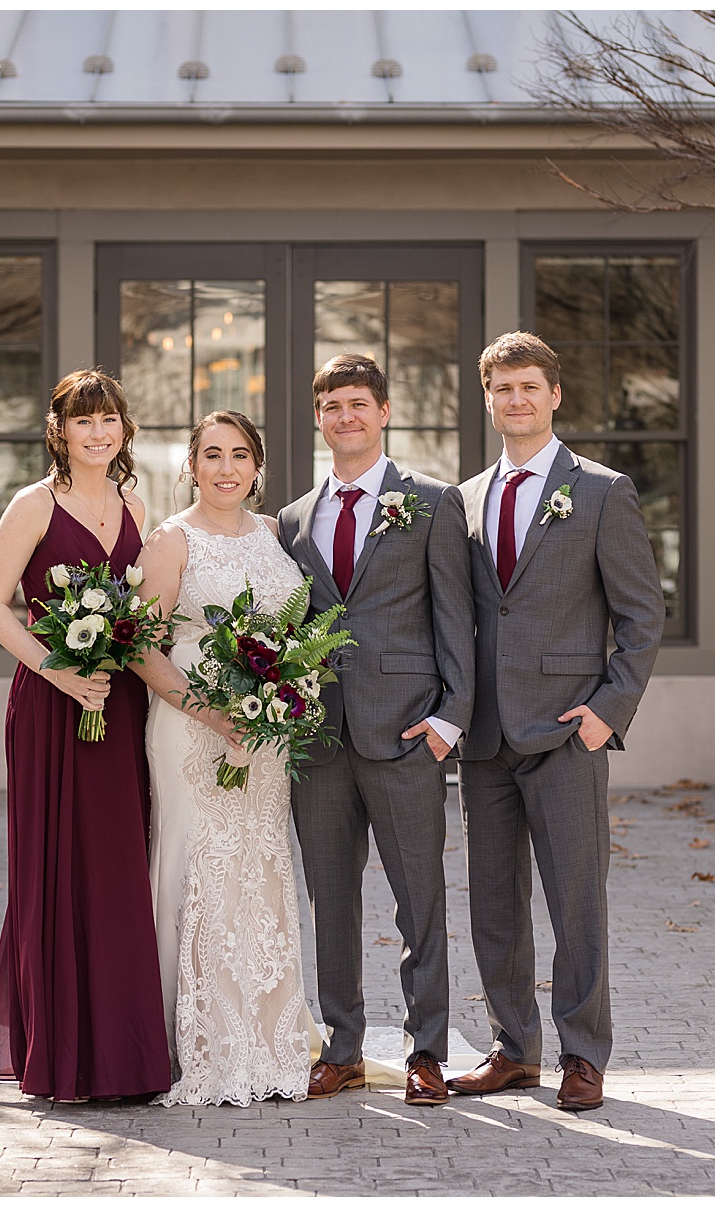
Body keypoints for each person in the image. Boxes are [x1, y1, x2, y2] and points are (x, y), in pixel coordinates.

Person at [447, 332, 663, 1113]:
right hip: (485, 736)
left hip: (569, 734)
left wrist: (608, 712)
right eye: (502, 388)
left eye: (529, 387)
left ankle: (582, 1054)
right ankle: (513, 1047)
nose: (517, 400)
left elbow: (642, 615)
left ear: (555, 394)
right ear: (488, 398)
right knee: (494, 903)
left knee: (577, 903)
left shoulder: (602, 491)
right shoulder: (463, 499)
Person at [275, 354, 474, 1107]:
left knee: (419, 898)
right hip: (319, 741)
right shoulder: (294, 519)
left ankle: (426, 1051)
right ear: (319, 418)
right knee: (331, 898)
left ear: (383, 411)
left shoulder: (429, 502)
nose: (345, 416)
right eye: (332, 405)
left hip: (405, 736)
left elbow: (456, 615)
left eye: (358, 403)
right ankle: (344, 1046)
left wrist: (450, 718)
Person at [0, 369, 171, 1102]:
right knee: (55, 868)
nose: (97, 432)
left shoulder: (138, 505)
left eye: (108, 418)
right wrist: (59, 671)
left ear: (123, 427)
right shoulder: (33, 504)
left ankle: (124, 1055)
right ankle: (61, 1055)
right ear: (59, 430)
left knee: (117, 870)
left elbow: (147, 614)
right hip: (53, 705)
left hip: (116, 707)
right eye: (82, 420)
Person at [132, 410, 315, 1106]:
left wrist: (281, 693)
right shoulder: (169, 541)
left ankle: (267, 1036)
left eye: (240, 454)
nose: (227, 467)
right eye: (212, 454)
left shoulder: (273, 536)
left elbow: (295, 632)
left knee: (261, 866)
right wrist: (212, 710)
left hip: (264, 736)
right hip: (191, 730)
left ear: (257, 467)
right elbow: (143, 648)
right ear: (190, 465)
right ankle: (193, 1040)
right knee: (196, 864)